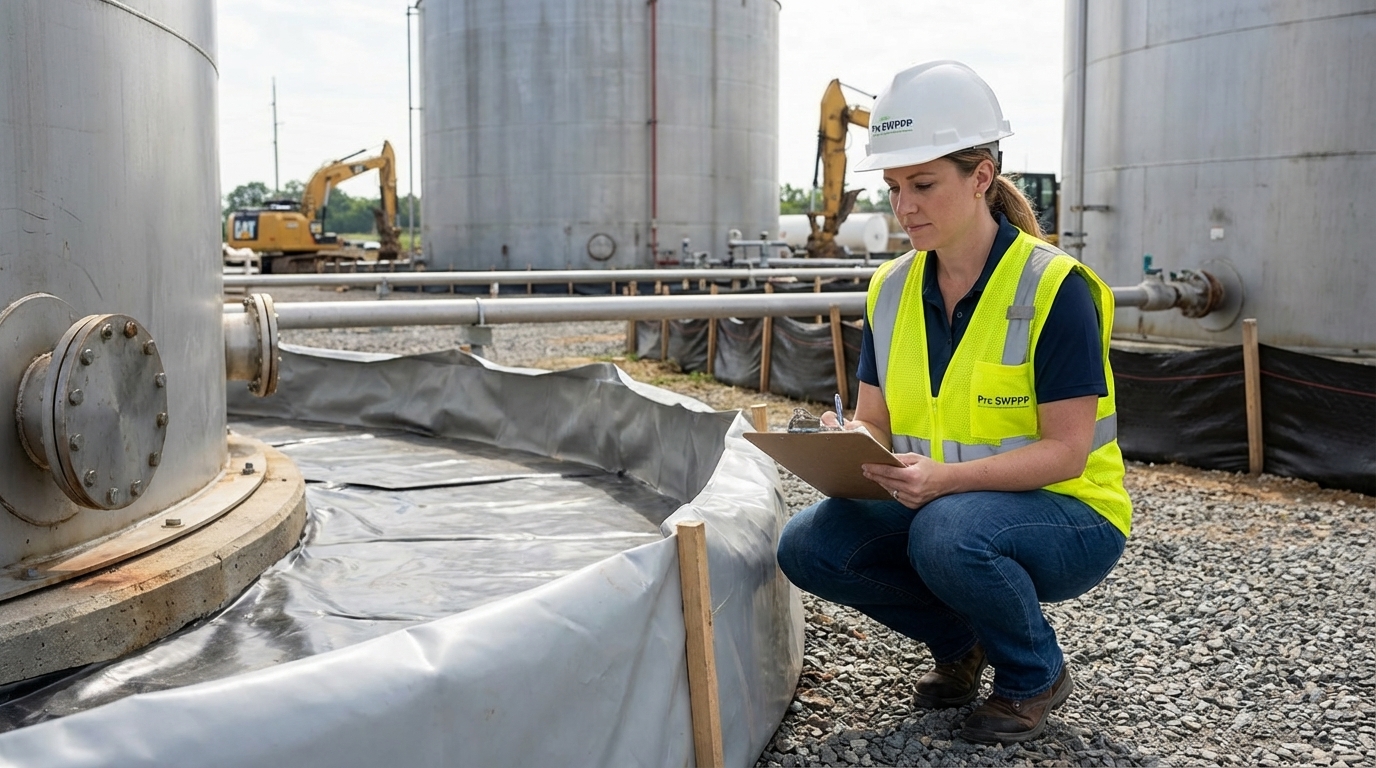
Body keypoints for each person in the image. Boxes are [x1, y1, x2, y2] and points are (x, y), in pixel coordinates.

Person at [775, 61, 1132, 744]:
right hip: (945, 503)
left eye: (923, 184)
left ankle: (1033, 674)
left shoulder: (1053, 290)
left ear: (981, 177)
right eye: (894, 187)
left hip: (1072, 514)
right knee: (809, 546)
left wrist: (945, 481)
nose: (903, 206)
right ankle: (961, 641)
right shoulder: (891, 288)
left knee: (949, 534)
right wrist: (844, 439)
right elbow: (875, 420)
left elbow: (1066, 451)